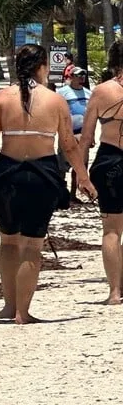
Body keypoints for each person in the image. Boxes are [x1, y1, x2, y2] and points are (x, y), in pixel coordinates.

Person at [0, 44, 93, 324]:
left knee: (8, 242)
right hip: (42, 176)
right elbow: (68, 145)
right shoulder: (54, 100)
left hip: (7, 175)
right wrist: (83, 177)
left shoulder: (1, 99)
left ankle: (9, 305)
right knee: (32, 246)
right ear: (41, 68)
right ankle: (22, 312)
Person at [83, 43, 123, 303]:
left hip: (109, 161)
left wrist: (81, 174)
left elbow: (86, 137)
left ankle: (114, 292)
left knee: (111, 230)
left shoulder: (101, 91)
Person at [58, 66, 91, 200]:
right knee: (62, 165)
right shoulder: (62, 92)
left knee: (81, 164)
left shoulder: (89, 93)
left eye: (83, 75)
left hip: (83, 134)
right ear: (71, 76)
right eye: (78, 75)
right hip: (67, 133)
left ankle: (73, 194)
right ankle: (60, 193)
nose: (81, 77)